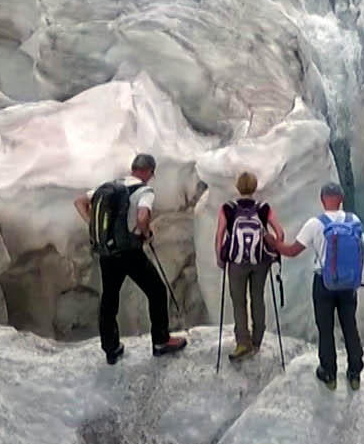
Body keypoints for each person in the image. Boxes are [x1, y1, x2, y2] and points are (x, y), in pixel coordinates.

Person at [75, 153, 187, 364]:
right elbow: (143, 217)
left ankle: (111, 348)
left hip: (108, 252)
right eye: (152, 173)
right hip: (130, 252)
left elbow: (80, 202)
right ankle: (161, 341)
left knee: (109, 299)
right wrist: (146, 233)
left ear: (133, 168)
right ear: (148, 171)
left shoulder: (111, 185)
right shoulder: (144, 191)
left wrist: (94, 226)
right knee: (156, 290)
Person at [275, 181, 364, 389]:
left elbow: (292, 251)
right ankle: (354, 373)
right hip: (349, 283)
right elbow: (361, 245)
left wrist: (274, 244)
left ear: (322, 200)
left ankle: (329, 373)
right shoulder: (354, 221)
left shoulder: (316, 224)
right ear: (341, 199)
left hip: (324, 282)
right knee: (349, 326)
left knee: (325, 328)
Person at [214, 171, 285, 361]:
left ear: (238, 187)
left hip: (236, 262)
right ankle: (257, 340)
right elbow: (280, 233)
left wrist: (220, 257)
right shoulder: (263, 208)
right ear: (254, 187)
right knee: (257, 298)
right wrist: (272, 246)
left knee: (239, 301)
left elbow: (220, 234)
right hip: (260, 261)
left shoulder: (228, 209)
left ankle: (242, 343)